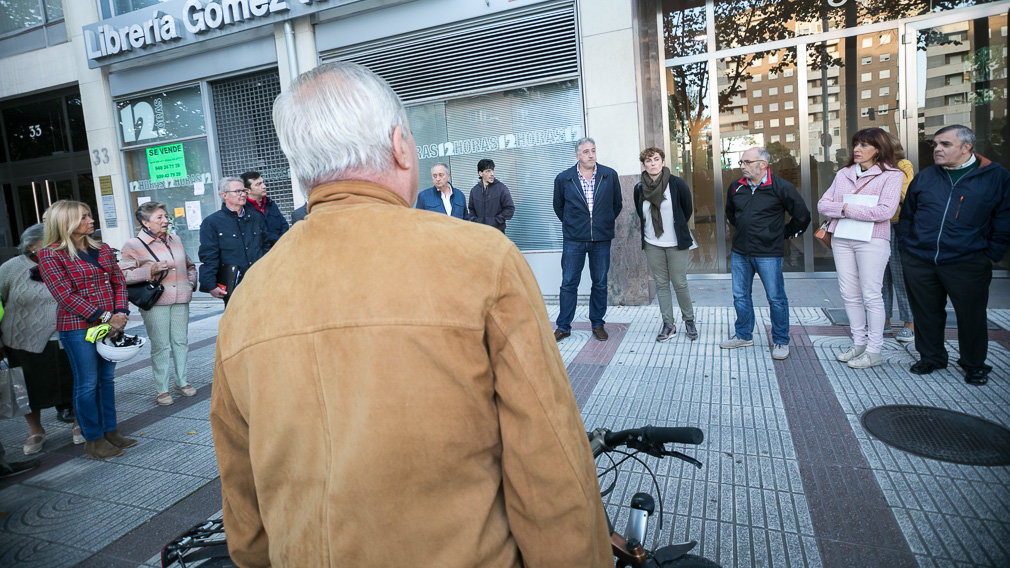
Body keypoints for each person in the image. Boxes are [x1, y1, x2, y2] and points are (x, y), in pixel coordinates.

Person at [209, 62, 610, 567]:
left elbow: (242, 500)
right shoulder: (484, 260)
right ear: (400, 144)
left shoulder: (250, 296)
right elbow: (548, 460)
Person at [897, 125, 1010, 385]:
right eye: (936, 144)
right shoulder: (926, 177)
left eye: (945, 144)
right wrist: (909, 248)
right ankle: (931, 357)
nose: (937, 149)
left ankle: (974, 364)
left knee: (971, 315)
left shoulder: (996, 177)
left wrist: (991, 254)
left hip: (968, 261)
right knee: (925, 312)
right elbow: (908, 216)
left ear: (966, 147)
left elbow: (1004, 218)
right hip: (921, 259)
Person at [37, 200, 138, 460]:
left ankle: (110, 431)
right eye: (84, 217)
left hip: (109, 323)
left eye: (90, 216)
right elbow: (65, 296)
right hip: (77, 327)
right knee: (87, 383)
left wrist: (121, 313)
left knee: (106, 380)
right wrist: (107, 317)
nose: (91, 220)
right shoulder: (50, 254)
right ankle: (93, 439)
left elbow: (118, 282)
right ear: (66, 222)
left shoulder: (102, 248)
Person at [816, 128, 904, 369]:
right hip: (842, 238)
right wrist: (849, 208)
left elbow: (885, 211)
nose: (857, 149)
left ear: (879, 148)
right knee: (849, 294)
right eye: (856, 144)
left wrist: (844, 209)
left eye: (865, 145)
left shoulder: (892, 175)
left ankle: (874, 350)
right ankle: (858, 343)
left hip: (873, 240)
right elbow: (823, 203)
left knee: (872, 294)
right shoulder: (844, 173)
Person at [720, 147, 810, 360]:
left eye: (747, 162)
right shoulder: (736, 187)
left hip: (769, 253)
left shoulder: (781, 187)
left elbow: (802, 216)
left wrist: (781, 234)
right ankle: (743, 335)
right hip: (741, 252)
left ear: (762, 164)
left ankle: (780, 340)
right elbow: (730, 214)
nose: (742, 166)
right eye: (741, 162)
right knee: (740, 296)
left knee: (776, 298)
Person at [0, 223, 80, 454]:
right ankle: (36, 431)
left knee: (73, 381)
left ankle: (78, 424)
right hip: (23, 338)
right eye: (52, 240)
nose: (59, 244)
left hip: (67, 334)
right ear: (32, 245)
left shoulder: (69, 262)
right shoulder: (12, 268)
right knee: (27, 387)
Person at [119, 202, 199, 406]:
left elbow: (190, 265)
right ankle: (161, 389)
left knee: (181, 341)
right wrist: (150, 271)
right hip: (156, 302)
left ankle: (182, 381)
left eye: (166, 216)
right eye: (159, 218)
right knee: (161, 346)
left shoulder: (176, 239)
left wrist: (189, 283)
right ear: (145, 222)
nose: (165, 221)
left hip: (181, 298)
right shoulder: (133, 245)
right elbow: (122, 275)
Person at [553, 137, 623, 342]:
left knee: (600, 282)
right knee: (568, 283)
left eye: (593, 150)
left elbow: (616, 204)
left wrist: (602, 222)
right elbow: (559, 207)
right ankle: (564, 326)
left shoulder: (609, 175)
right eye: (586, 152)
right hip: (574, 239)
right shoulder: (564, 178)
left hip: (601, 239)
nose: (591, 155)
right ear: (577, 156)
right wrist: (574, 224)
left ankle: (598, 323)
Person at [633, 146, 698, 341]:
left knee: (679, 282)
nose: (652, 164)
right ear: (644, 165)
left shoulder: (677, 184)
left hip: (676, 242)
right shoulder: (639, 188)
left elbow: (686, 210)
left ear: (663, 161)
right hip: (652, 243)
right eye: (648, 161)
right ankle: (668, 324)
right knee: (661, 284)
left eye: (656, 159)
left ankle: (689, 321)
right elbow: (640, 213)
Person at [198, 178, 266, 304]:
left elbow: (267, 245)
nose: (242, 194)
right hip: (234, 285)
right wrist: (211, 284)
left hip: (261, 281)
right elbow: (209, 255)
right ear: (225, 195)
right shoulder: (212, 222)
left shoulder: (256, 217)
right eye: (237, 191)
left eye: (244, 191)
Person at [881, 139, 916, 343]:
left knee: (900, 276)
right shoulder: (868, 169)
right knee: (880, 278)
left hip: (896, 225)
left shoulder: (903, 166)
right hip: (876, 225)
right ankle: (883, 320)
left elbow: (904, 195)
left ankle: (909, 323)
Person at [241, 171, 289, 250]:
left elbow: (284, 225)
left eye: (263, 183)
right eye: (258, 184)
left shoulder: (270, 204)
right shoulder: (244, 210)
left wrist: (284, 240)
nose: (264, 186)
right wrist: (279, 240)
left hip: (281, 249)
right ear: (247, 190)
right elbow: (260, 234)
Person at [467, 158, 514, 232]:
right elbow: (471, 210)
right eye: (488, 171)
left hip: (497, 233)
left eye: (492, 170)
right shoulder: (474, 191)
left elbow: (510, 209)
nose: (492, 174)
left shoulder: (501, 188)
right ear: (480, 173)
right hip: (480, 233)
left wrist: (495, 221)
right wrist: (477, 222)